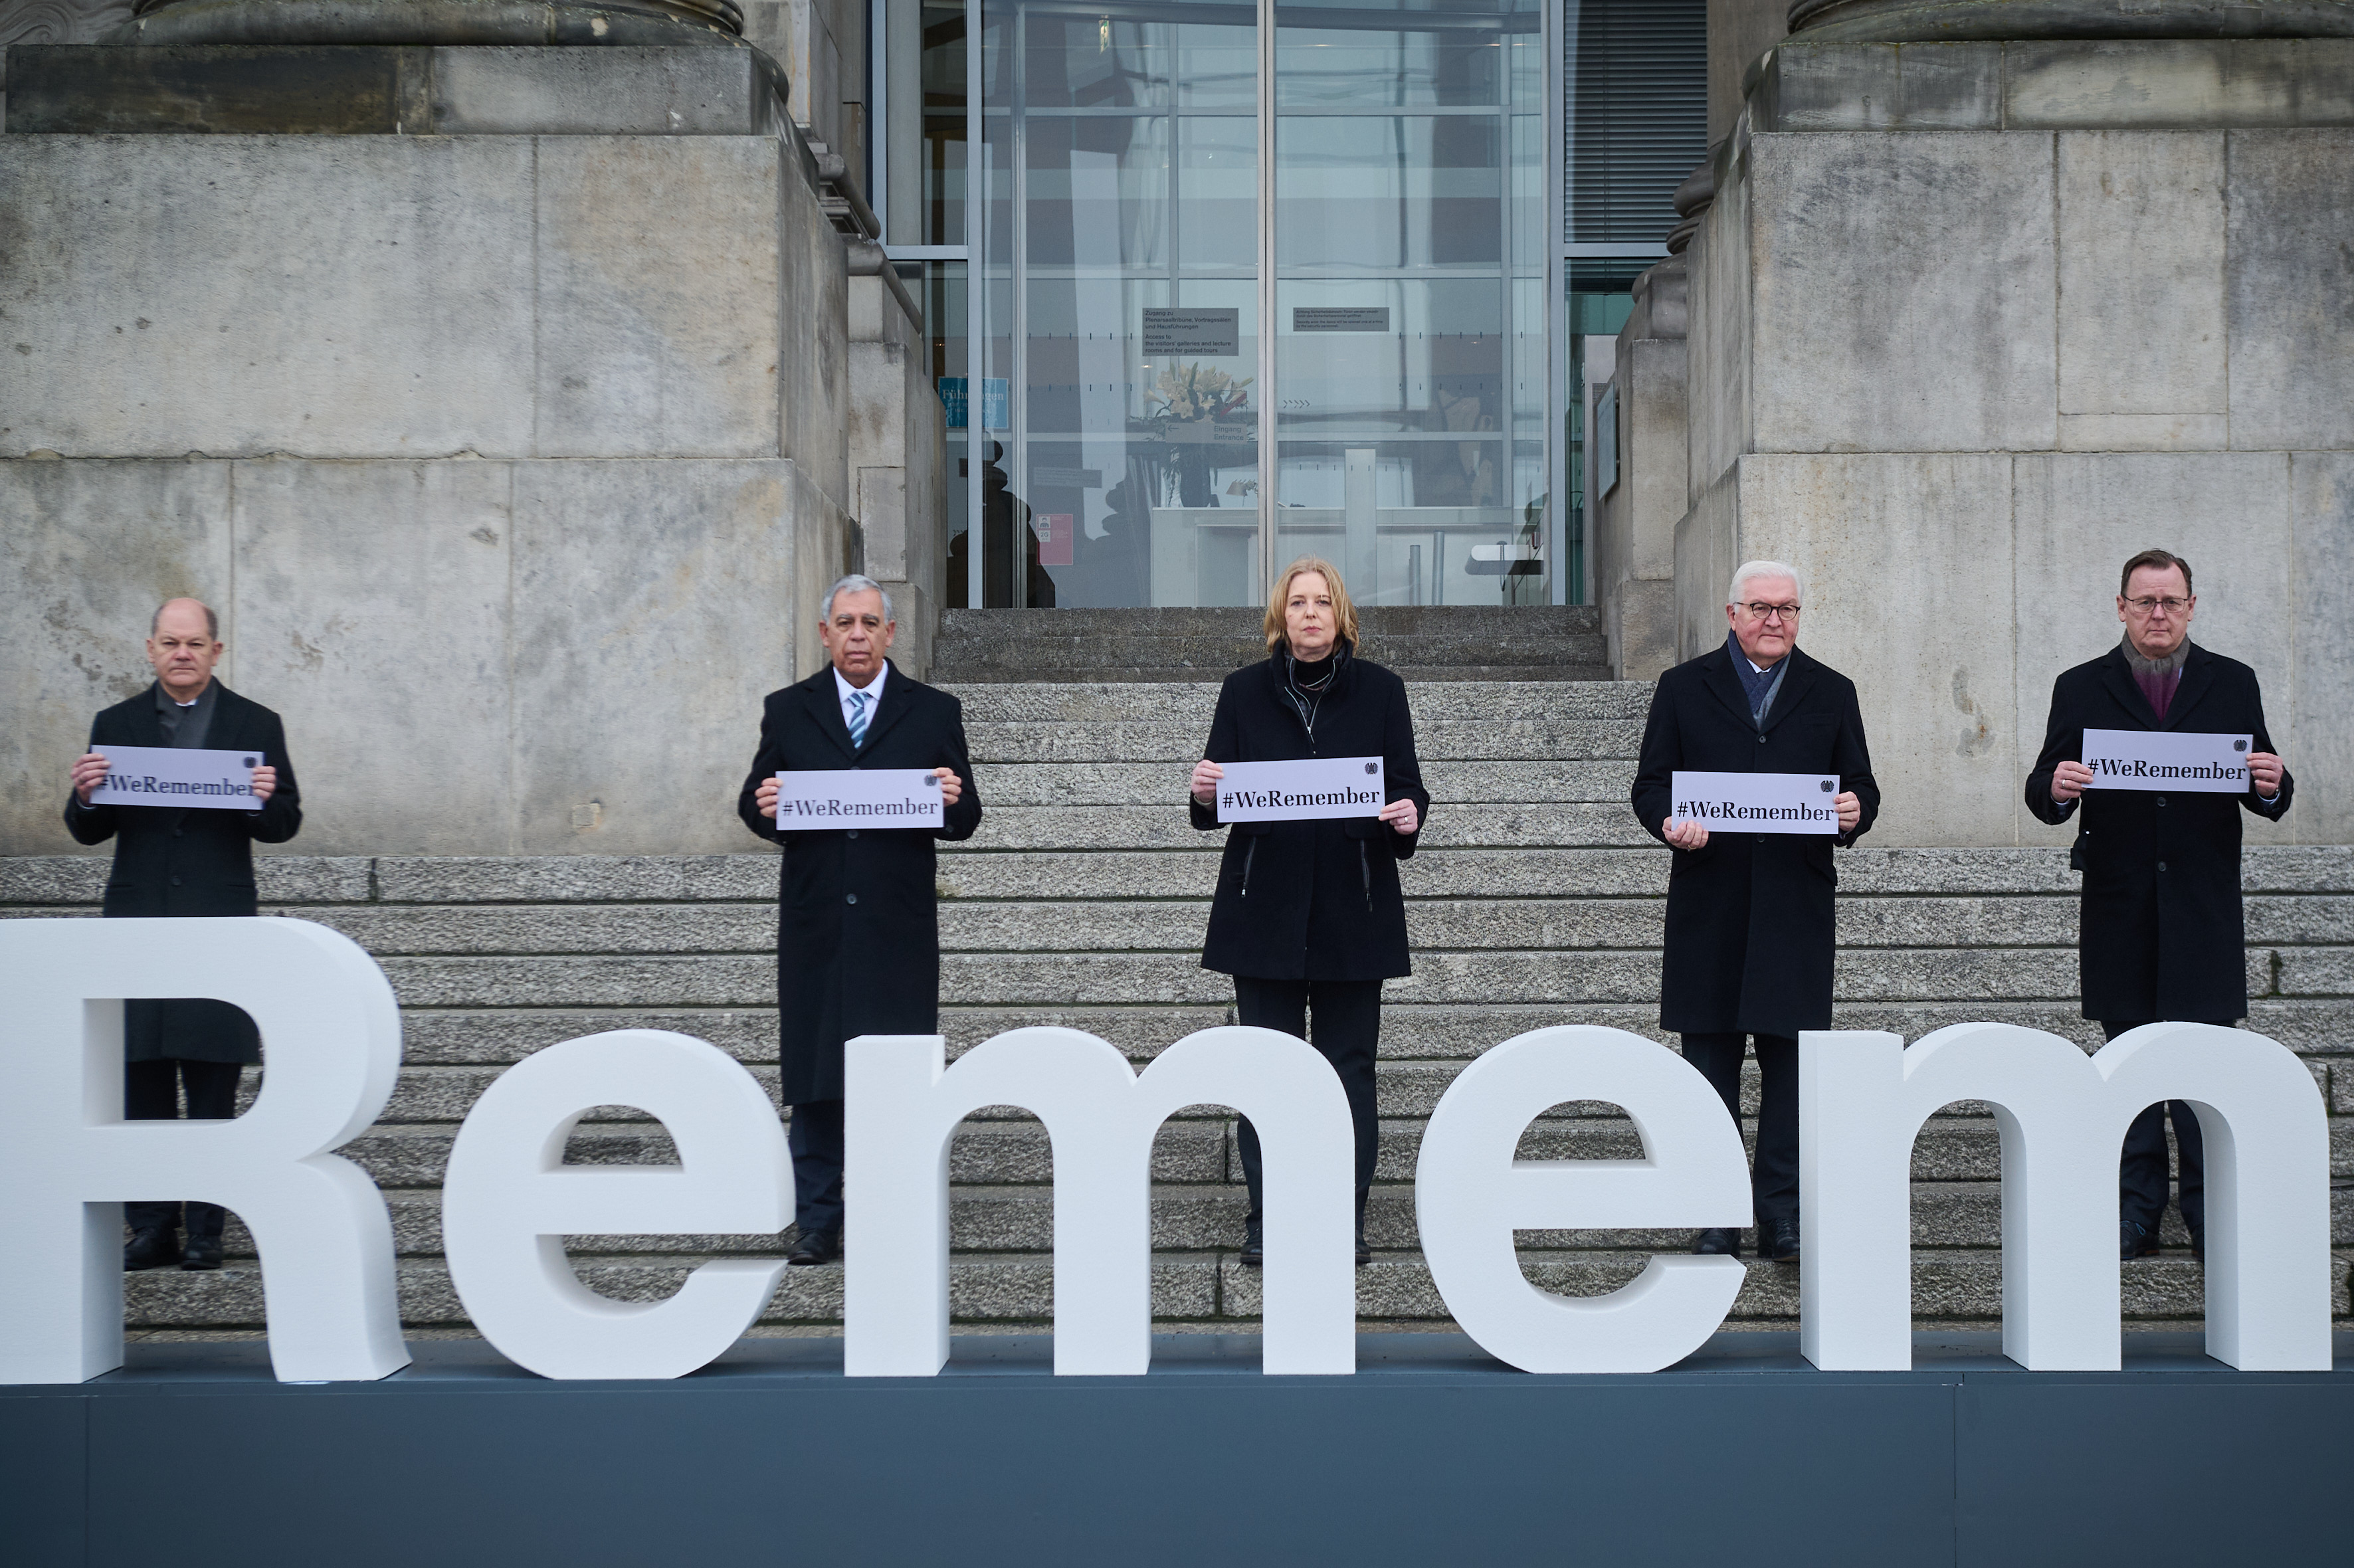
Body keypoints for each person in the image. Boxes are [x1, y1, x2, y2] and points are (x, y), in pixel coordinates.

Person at [2024, 549, 2291, 1263]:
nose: (2158, 614)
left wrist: (2271, 779)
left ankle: (2208, 1213)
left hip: (2202, 910)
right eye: (2144, 601)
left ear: (2192, 606)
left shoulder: (2232, 681)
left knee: (2204, 1071)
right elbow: (2041, 790)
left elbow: (2263, 785)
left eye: (2170, 601)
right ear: (2121, 607)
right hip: (2122, 908)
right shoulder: (2080, 686)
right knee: (2132, 1070)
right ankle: (2136, 1212)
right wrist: (2057, 787)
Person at [1630, 561, 1878, 1264]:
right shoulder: (1683, 687)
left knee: (1792, 1072)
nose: (1777, 620)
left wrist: (1856, 810)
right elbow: (1650, 784)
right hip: (1710, 905)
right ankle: (1713, 1212)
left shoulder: (1832, 691)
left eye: (1789, 608)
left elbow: (1859, 784)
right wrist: (1669, 820)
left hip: (1794, 909)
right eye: (1763, 608)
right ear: (1732, 612)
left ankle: (1782, 1215)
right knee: (1707, 1069)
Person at [1189, 557, 1430, 1268]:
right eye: (1298, 602)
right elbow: (1212, 804)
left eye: (1323, 601)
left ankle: (1342, 1219)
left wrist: (1409, 813)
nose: (1310, 613)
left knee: (1350, 1071)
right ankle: (1268, 1217)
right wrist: (1204, 793)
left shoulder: (1382, 692)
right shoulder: (1242, 692)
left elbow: (1409, 792)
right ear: (1280, 615)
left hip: (1354, 909)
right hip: (1262, 910)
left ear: (1341, 613)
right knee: (1266, 1073)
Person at [737, 575, 983, 1265]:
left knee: (895, 1072)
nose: (856, 635)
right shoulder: (788, 711)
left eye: (869, 622)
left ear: (890, 633)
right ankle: (817, 1217)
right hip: (817, 924)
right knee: (816, 1076)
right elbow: (755, 807)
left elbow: (964, 819)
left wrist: (955, 799)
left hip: (895, 928)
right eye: (844, 622)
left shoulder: (933, 711)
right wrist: (766, 801)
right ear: (824, 633)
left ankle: (890, 1211)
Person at [64, 597, 302, 1272]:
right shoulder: (117, 723)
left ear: (216, 651)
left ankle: (206, 1227)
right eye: (170, 641)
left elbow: (284, 822)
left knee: (211, 1076)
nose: (183, 653)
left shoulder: (257, 723)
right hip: (137, 923)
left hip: (217, 922)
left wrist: (263, 796)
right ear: (150, 648)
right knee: (139, 1072)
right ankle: (150, 1225)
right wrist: (85, 793)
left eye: (195, 643)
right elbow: (89, 827)